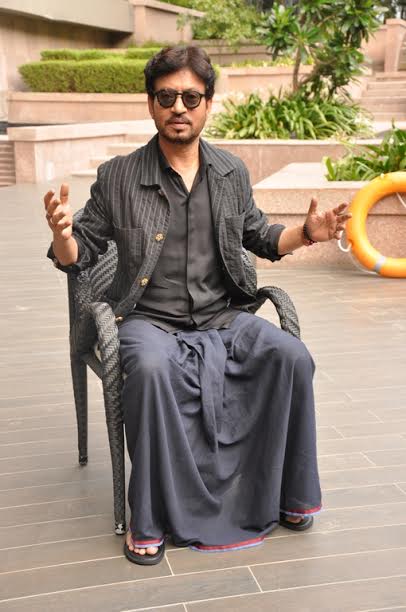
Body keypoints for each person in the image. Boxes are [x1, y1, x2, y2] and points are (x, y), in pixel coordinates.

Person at [44, 46, 351, 566]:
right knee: (151, 370)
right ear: (151, 103)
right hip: (146, 319)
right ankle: (151, 517)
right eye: (167, 97)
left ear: (208, 103)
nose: (178, 107)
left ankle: (288, 495)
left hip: (223, 315)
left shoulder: (230, 171)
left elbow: (260, 235)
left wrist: (306, 233)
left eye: (191, 97)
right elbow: (80, 254)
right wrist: (63, 235)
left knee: (291, 356)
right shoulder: (119, 175)